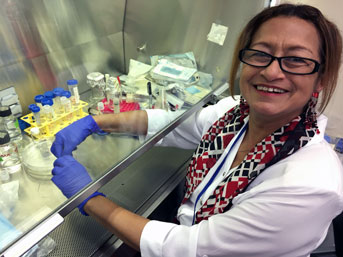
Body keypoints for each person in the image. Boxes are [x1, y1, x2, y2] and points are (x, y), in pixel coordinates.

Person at [50, 3, 343, 257]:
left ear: (320, 79)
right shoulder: (235, 114)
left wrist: (88, 198)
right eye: (260, 53)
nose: (271, 71)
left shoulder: (307, 185)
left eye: (296, 60)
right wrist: (96, 123)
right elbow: (172, 125)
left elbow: (189, 248)